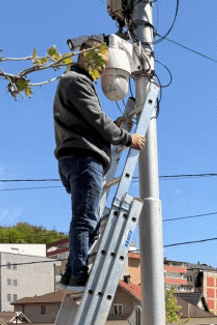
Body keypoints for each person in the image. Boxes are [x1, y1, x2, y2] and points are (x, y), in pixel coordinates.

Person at [54, 37, 145, 292]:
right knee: (85, 219)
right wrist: (128, 138)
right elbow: (95, 117)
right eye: (101, 63)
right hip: (83, 159)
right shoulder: (76, 82)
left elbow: (90, 120)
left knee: (87, 218)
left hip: (77, 157)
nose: (103, 70)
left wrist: (112, 129)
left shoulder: (74, 82)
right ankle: (78, 275)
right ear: (86, 55)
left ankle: (72, 273)